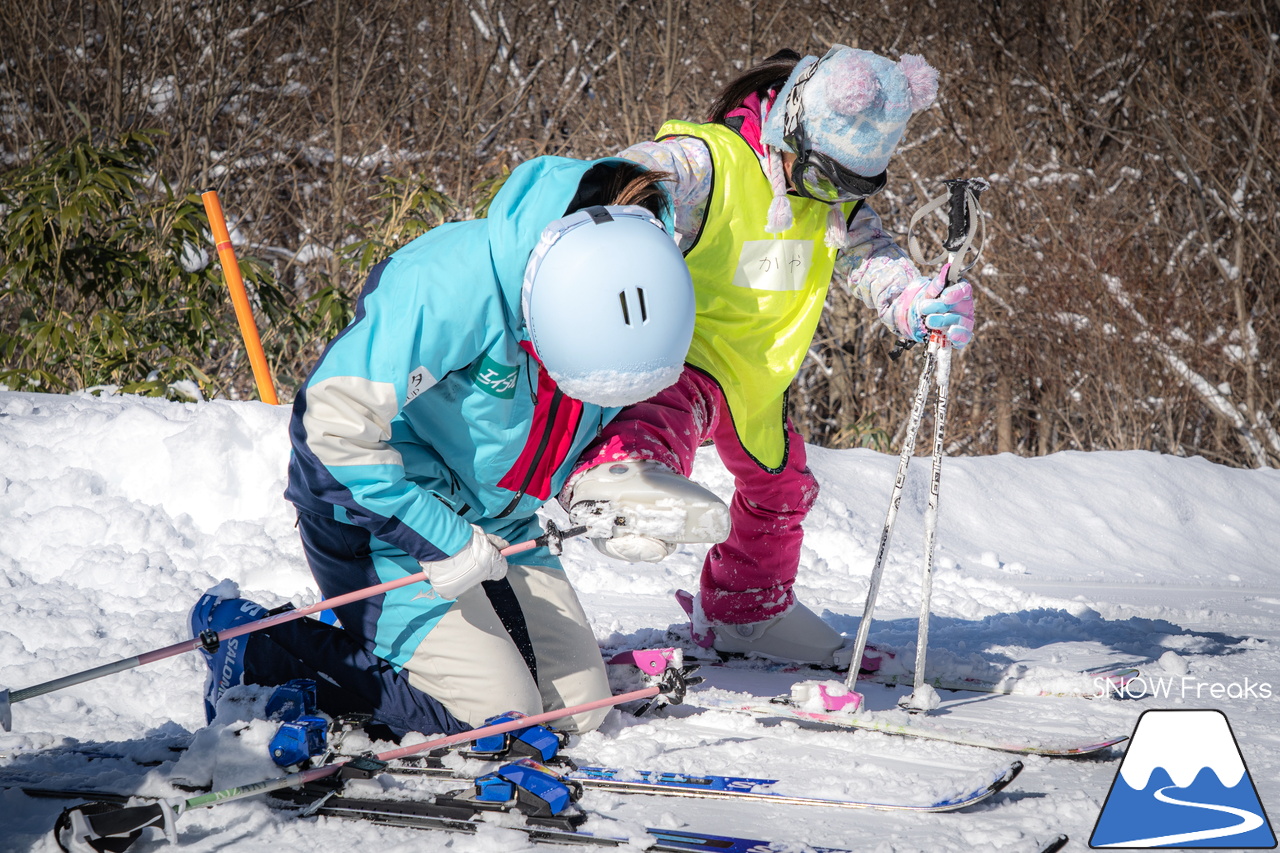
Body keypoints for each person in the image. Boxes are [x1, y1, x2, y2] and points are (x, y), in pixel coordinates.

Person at [190, 155, 697, 740]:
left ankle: (401, 638)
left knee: (579, 711)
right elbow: (331, 427)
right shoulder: (451, 284)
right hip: (378, 521)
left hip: (502, 522)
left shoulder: (636, 288)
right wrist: (443, 539)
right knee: (498, 722)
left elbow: (622, 414)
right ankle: (252, 645)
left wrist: (617, 481)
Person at [560, 46, 976, 667]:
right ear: (790, 129)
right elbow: (640, 171)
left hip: (756, 380)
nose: (830, 194)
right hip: (682, 355)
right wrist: (626, 199)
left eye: (848, 183)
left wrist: (917, 304)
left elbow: (874, 263)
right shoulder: (713, 163)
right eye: (823, 174)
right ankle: (620, 474)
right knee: (670, 413)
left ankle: (745, 611)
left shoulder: (830, 202)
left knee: (781, 486)